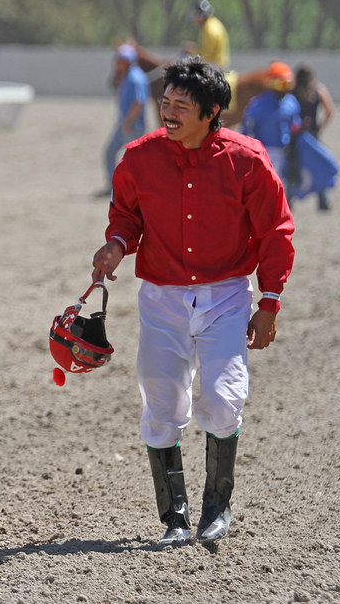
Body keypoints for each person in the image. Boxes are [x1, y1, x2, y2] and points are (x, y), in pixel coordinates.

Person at [91, 57, 294, 547]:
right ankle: (175, 518)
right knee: (160, 402)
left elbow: (275, 231)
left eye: (181, 105)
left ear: (212, 111)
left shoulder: (248, 159)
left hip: (226, 295)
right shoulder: (138, 157)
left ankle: (216, 508)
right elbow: (126, 216)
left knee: (223, 399)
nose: (168, 111)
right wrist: (116, 244)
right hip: (160, 298)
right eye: (166, 102)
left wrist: (269, 301)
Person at [240, 62, 301, 187]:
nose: (284, 89)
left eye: (288, 84)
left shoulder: (292, 103)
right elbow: (246, 129)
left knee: (283, 186)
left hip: (286, 153)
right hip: (264, 153)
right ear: (271, 84)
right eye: (281, 84)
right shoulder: (257, 105)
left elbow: (295, 124)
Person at [101, 43, 150, 194]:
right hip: (126, 123)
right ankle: (114, 187)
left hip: (132, 125)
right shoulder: (127, 76)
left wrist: (127, 123)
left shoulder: (135, 78)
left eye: (121, 60)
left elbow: (138, 103)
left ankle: (135, 189)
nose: (118, 63)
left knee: (134, 159)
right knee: (111, 153)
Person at [291, 64, 335, 211]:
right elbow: (330, 111)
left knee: (293, 165)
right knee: (318, 164)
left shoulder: (292, 91)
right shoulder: (318, 90)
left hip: (296, 134)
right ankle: (323, 200)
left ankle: (290, 199)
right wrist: (320, 127)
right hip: (312, 134)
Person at [188, 0, 230, 71]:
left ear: (200, 15)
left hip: (215, 66)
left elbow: (206, 56)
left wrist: (193, 51)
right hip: (220, 64)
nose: (193, 19)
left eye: (194, 15)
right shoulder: (213, 23)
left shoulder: (209, 29)